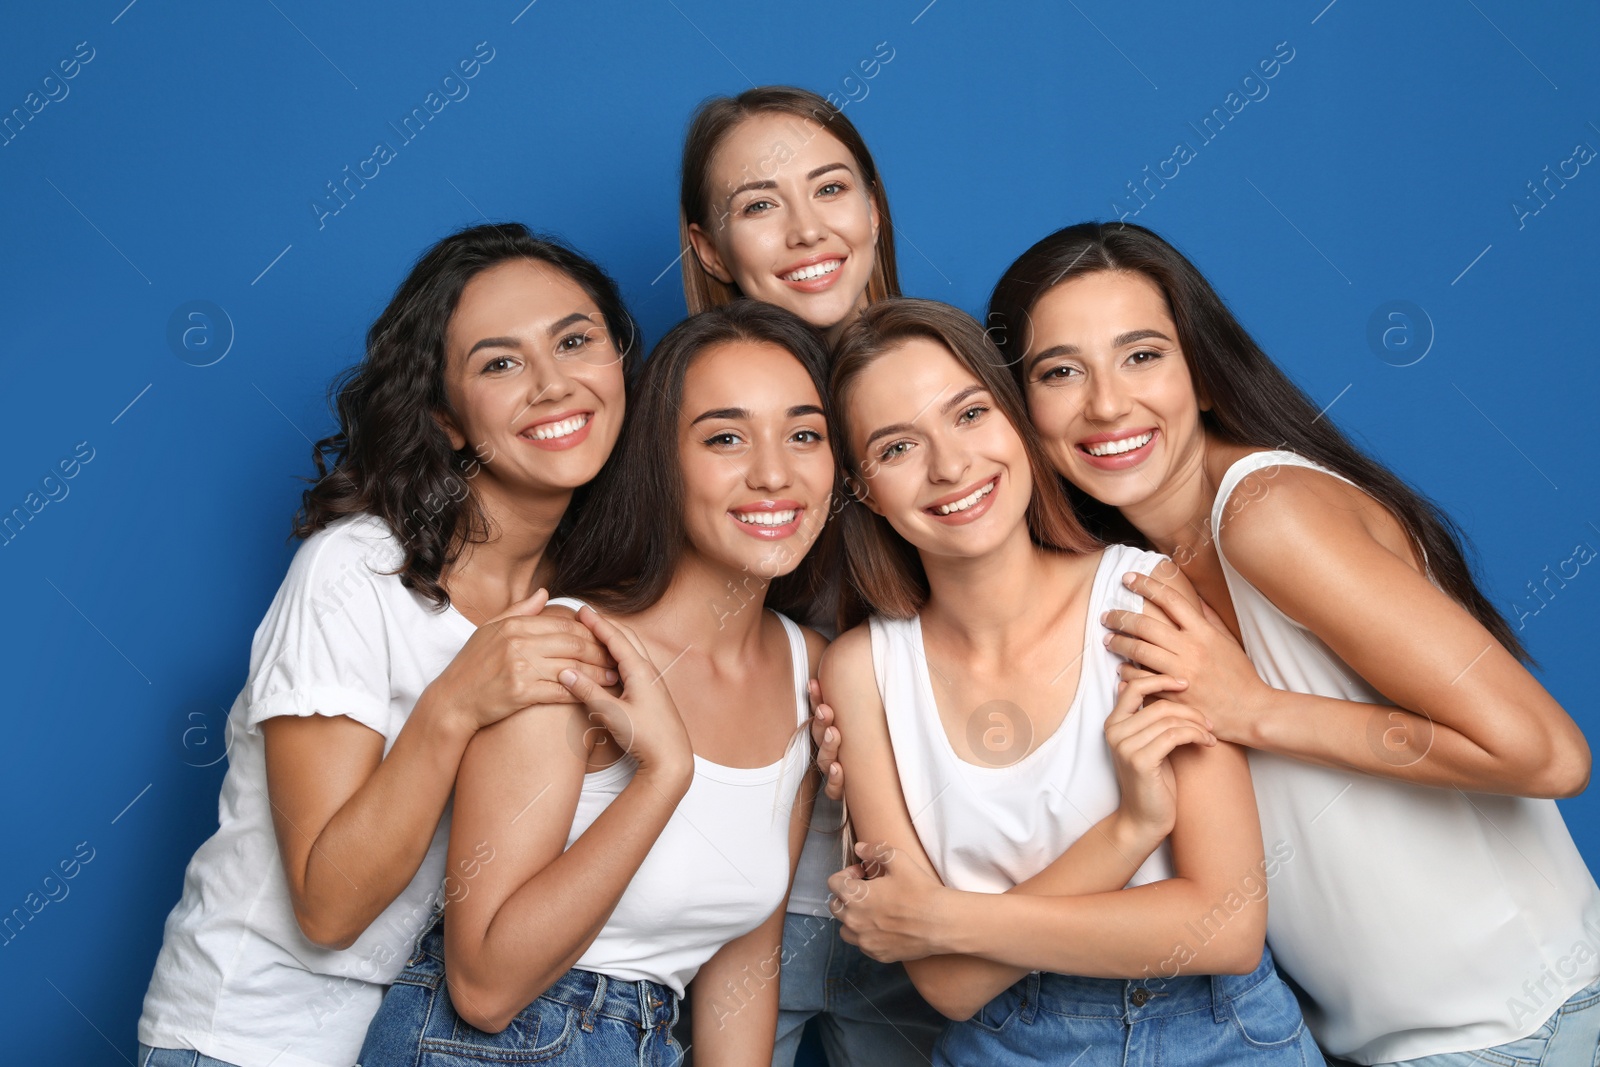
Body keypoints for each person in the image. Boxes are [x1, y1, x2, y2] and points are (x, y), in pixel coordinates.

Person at [980, 221, 1600, 1065]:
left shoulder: (1266, 515)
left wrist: (1255, 709)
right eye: (1060, 372)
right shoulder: (1130, 578)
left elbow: (1548, 754)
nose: (1107, 404)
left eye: (1142, 355)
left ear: (1201, 373)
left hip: (1528, 1026)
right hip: (1380, 1045)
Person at [136, 223, 637, 1067]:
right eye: (500, 363)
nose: (555, 384)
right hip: (241, 1042)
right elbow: (327, 908)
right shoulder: (355, 571)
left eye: (576, 341)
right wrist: (456, 700)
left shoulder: (590, 592)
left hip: (405, 1043)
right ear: (444, 416)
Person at [820, 297, 1324, 1065]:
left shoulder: (1143, 597)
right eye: (896, 448)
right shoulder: (861, 669)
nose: (951, 466)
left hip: (1219, 1032)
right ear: (861, 487)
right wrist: (1131, 828)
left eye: (969, 414)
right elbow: (949, 988)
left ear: (1017, 422)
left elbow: (1224, 926)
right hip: (1006, 1042)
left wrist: (946, 919)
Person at [357, 300, 837, 1066]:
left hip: (651, 1042)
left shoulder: (806, 665)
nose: (774, 473)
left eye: (805, 434)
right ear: (660, 462)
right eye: (725, 437)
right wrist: (663, 776)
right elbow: (483, 984)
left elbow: (743, 957)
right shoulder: (568, 650)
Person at [678, 85, 944, 1066]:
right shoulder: (677, 422)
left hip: (941, 896)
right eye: (757, 204)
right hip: (739, 903)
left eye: (829, 188)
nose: (804, 229)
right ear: (708, 246)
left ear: (873, 204)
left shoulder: (958, 394)